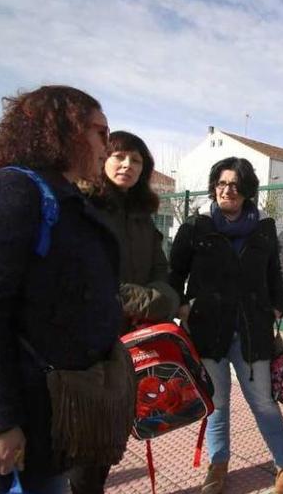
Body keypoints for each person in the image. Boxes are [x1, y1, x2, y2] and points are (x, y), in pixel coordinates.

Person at [0, 86, 134, 493]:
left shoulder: (65, 197)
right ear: (63, 130)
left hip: (49, 423)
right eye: (101, 132)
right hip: (18, 424)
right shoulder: (14, 192)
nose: (107, 144)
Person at [168, 157, 283, 494]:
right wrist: (181, 305)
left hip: (252, 332)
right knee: (217, 403)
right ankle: (218, 464)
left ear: (247, 191)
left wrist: (277, 307)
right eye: (222, 183)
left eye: (235, 185)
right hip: (208, 332)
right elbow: (173, 275)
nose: (228, 190)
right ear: (214, 186)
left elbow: (273, 276)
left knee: (264, 403)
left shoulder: (264, 230)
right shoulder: (196, 228)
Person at [66, 130, 180, 493]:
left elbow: (161, 272)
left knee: (110, 436)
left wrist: (163, 299)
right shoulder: (84, 206)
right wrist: (153, 301)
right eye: (119, 157)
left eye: (136, 160)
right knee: (86, 443)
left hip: (129, 344)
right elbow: (90, 279)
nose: (128, 165)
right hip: (86, 344)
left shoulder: (142, 215)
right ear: (102, 160)